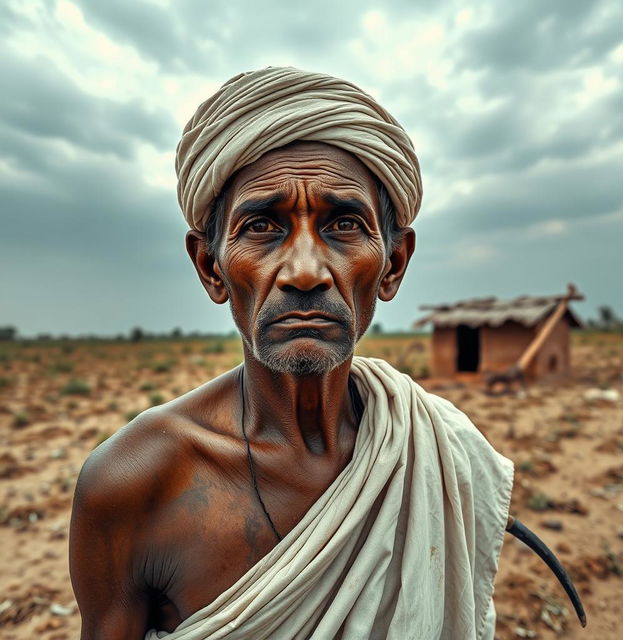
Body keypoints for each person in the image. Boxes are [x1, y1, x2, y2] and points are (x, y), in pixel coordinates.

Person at [70, 67, 514, 640]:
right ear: (211, 267)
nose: (305, 271)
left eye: (344, 224)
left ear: (394, 263)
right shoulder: (133, 483)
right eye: (261, 227)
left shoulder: (435, 451)